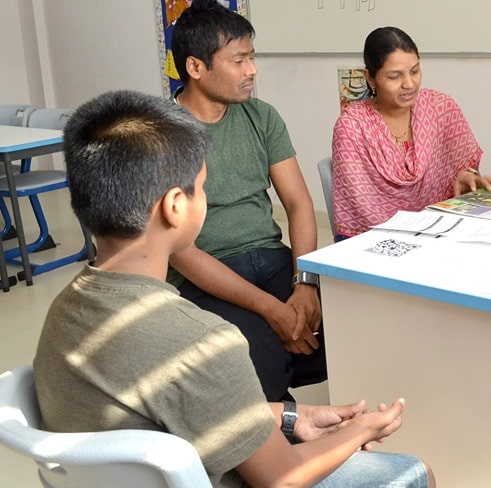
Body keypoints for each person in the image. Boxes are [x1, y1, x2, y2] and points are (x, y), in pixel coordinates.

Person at [34, 90, 436, 488]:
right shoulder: (204, 342)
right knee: (417, 472)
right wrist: (359, 431)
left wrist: (291, 416)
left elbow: (172, 405)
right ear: (175, 206)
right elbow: (284, 477)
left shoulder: (64, 309)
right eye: (202, 187)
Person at [168, 0, 325, 402]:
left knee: (350, 319)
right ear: (196, 67)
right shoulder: (163, 135)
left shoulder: (262, 116)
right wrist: (270, 309)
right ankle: (278, 442)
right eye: (238, 61)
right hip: (206, 274)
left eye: (251, 58)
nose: (251, 70)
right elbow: (180, 251)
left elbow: (298, 204)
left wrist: (304, 282)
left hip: (271, 258)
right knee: (259, 352)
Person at [331, 26, 491, 238]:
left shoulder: (440, 108)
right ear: (371, 78)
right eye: (394, 76)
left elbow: (461, 172)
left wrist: (468, 177)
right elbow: (363, 207)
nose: (409, 84)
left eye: (414, 71)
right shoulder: (352, 126)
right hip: (374, 238)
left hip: (441, 229)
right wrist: (419, 235)